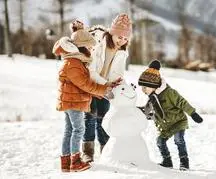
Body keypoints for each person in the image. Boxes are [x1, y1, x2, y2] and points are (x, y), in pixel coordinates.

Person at [53, 20, 122, 172]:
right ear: (81, 46)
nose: (92, 48)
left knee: (70, 130)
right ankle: (75, 161)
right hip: (73, 101)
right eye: (89, 46)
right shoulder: (73, 63)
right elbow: (85, 84)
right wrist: (103, 89)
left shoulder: (75, 60)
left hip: (71, 99)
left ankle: (66, 162)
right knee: (78, 130)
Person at [82, 13, 132, 163]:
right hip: (91, 85)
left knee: (104, 119)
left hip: (106, 89)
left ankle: (105, 150)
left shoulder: (122, 52)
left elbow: (118, 72)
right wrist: (105, 83)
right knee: (90, 118)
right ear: (112, 33)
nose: (122, 41)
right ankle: (87, 152)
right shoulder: (99, 44)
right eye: (119, 37)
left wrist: (119, 83)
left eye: (125, 38)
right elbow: (91, 70)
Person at [138, 60, 203, 170]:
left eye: (146, 87)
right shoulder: (152, 97)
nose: (143, 90)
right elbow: (148, 111)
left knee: (178, 140)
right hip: (166, 126)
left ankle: (184, 162)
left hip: (178, 122)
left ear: (154, 85)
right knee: (160, 141)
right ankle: (167, 161)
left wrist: (193, 113)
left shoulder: (169, 93)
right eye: (143, 87)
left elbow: (182, 102)